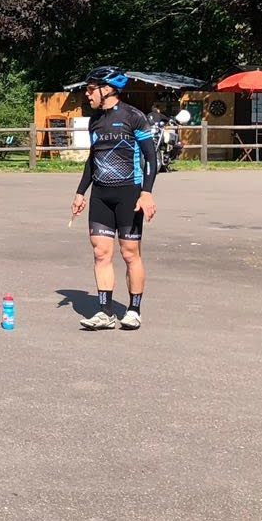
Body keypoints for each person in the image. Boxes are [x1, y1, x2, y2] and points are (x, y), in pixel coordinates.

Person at [70, 66, 158, 331]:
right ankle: (105, 311)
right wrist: (80, 192)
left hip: (129, 193)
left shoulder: (134, 117)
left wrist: (147, 192)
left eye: (90, 88)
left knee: (130, 253)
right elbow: (92, 159)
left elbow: (151, 158)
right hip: (101, 194)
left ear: (106, 88)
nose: (87, 94)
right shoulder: (94, 120)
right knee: (100, 253)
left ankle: (133, 309)